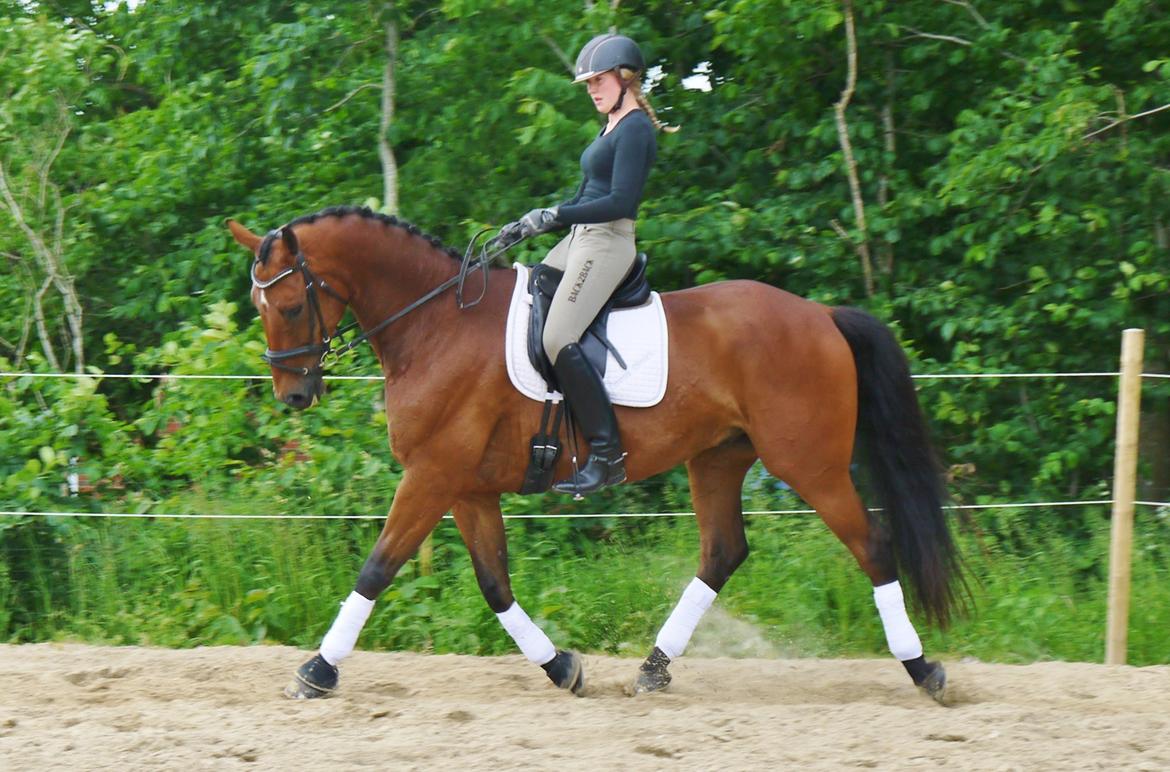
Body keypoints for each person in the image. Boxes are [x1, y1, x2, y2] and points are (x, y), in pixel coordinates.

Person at [508, 33, 676, 496]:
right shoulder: (609, 124)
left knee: (558, 334)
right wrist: (531, 223)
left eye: (597, 80)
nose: (591, 89)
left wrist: (557, 215)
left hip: (608, 242)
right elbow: (587, 194)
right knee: (534, 284)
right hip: (581, 238)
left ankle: (606, 454)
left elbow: (619, 201)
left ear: (624, 78)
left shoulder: (636, 128)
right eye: (586, 83)